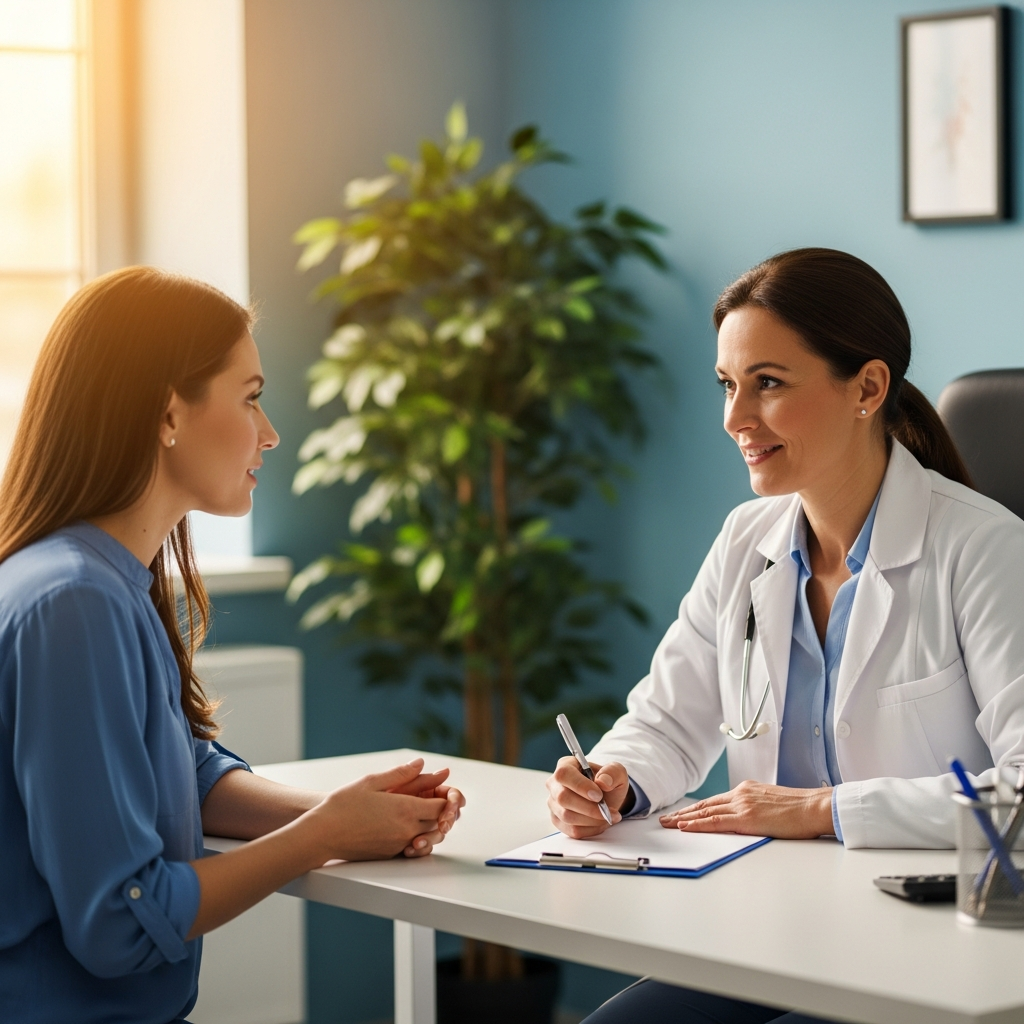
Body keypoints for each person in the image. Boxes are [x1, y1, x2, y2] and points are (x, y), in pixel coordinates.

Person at [546, 248, 1024, 1023]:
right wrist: (616, 780)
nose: (735, 419)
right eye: (729, 385)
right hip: (781, 935)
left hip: (942, 948)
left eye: (768, 384)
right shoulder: (748, 540)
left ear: (867, 387)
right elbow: (670, 720)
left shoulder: (984, 550)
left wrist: (823, 809)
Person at [0, 267, 465, 1024]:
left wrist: (352, 813)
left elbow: (185, 770)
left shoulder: (104, 581)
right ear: (166, 413)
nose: (271, 431)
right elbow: (122, 920)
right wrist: (323, 836)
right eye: (250, 398)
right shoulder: (74, 604)